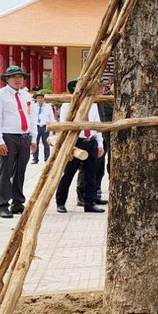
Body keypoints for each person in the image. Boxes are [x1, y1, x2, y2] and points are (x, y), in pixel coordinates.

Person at [0, 65, 37, 218]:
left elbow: (30, 117)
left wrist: (33, 138)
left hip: (24, 136)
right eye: (14, 77)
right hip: (8, 136)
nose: (18, 79)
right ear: (8, 79)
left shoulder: (26, 96)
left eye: (21, 77)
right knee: (6, 171)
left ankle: (17, 202)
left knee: (20, 171)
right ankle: (3, 204)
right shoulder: (0, 95)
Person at [55, 79, 106, 213]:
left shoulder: (93, 104)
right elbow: (63, 127)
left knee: (91, 174)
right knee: (69, 173)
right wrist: (67, 148)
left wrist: (100, 144)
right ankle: (60, 202)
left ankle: (89, 202)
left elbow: (96, 124)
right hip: (75, 142)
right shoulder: (68, 105)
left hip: (90, 141)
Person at [31, 92, 55, 164]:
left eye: (41, 98)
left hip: (45, 126)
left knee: (46, 143)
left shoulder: (48, 107)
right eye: (38, 98)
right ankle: (35, 158)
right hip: (36, 126)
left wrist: (52, 128)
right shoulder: (33, 106)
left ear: (44, 99)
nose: (40, 100)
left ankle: (47, 158)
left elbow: (51, 117)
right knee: (35, 143)